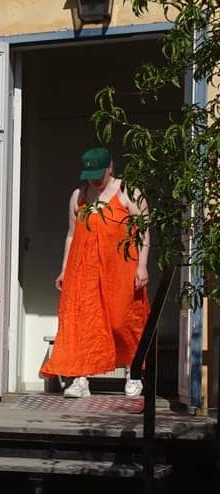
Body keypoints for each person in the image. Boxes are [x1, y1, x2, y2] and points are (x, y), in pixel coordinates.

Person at [41, 147, 151, 398]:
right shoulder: (79, 196)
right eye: (90, 174)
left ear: (111, 168)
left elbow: (144, 231)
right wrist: (64, 269)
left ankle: (133, 373)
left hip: (120, 267)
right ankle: (81, 378)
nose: (94, 180)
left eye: (99, 174)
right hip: (85, 268)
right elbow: (71, 235)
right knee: (83, 320)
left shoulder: (128, 192)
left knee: (121, 321)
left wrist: (142, 264)